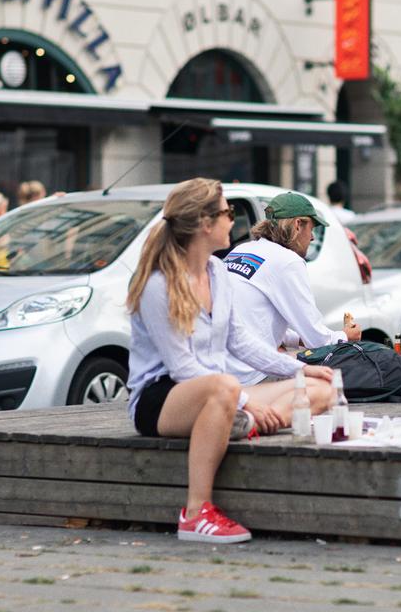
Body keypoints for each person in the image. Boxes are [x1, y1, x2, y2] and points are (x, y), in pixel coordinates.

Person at [125, 178, 333, 544]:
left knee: (320, 389)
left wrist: (301, 368)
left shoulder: (217, 271)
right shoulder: (159, 284)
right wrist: (244, 398)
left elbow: (240, 341)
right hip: (161, 399)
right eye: (228, 213)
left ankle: (243, 423)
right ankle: (196, 513)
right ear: (205, 223)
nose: (233, 221)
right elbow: (182, 369)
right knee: (224, 387)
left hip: (222, 391)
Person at [223, 192, 361, 385]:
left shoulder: (241, 250)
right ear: (298, 225)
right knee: (325, 388)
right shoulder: (288, 261)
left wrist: (296, 339)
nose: (312, 237)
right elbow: (318, 340)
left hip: (223, 370)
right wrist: (346, 336)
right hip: (249, 374)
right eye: (311, 228)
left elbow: (253, 321)